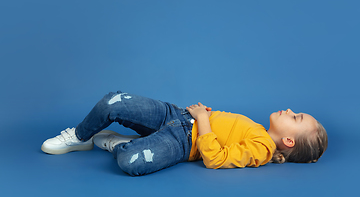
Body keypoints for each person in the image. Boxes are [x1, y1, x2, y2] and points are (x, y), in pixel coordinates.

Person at [41, 90, 328, 176]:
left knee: (131, 163)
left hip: (182, 142)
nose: (290, 110)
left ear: (289, 141)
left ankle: (120, 144)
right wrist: (199, 115)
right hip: (176, 115)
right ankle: (79, 137)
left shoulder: (262, 150)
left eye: (296, 117)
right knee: (113, 101)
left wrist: (203, 118)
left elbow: (214, 159)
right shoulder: (257, 128)